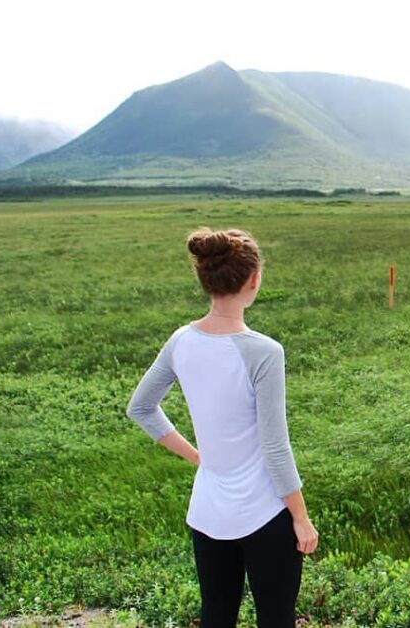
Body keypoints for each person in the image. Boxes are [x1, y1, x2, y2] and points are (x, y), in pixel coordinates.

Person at [126, 226, 318, 628]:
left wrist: (201, 458)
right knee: (276, 618)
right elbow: (275, 447)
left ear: (206, 280)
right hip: (266, 513)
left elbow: (142, 408)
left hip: (208, 511)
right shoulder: (264, 351)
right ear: (255, 279)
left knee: (217, 615)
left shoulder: (181, 341)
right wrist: (300, 517)